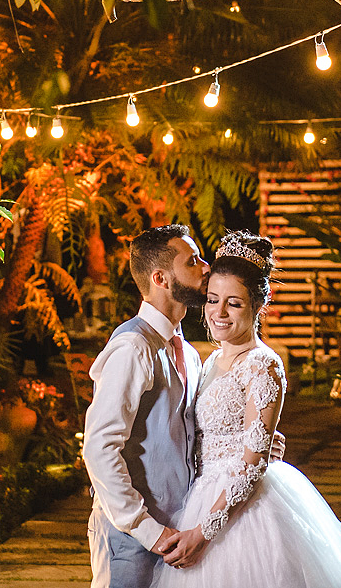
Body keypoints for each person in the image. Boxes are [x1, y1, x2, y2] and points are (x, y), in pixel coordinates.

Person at [152, 231, 341, 588]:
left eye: (235, 303)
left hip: (243, 512)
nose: (219, 312)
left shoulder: (264, 364)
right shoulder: (211, 360)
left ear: (260, 304)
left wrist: (203, 532)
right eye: (213, 299)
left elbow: (252, 463)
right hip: (200, 494)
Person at [83, 224, 208, 588]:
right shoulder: (133, 348)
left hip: (178, 535)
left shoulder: (186, 351)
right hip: (132, 540)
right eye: (193, 261)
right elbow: (99, 447)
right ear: (161, 278)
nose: (205, 268)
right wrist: (146, 529)